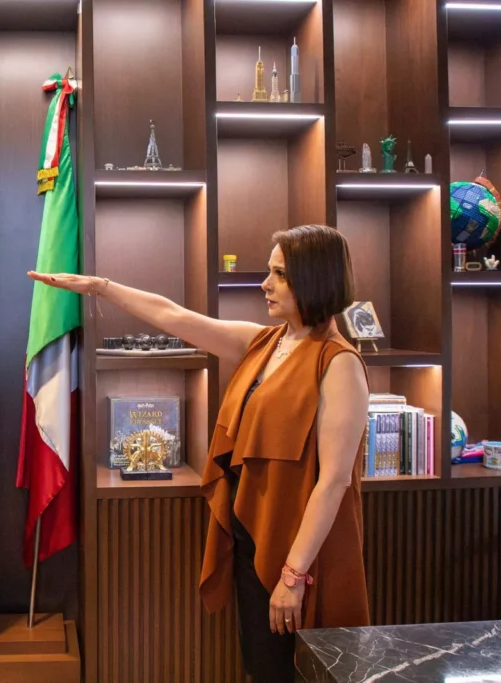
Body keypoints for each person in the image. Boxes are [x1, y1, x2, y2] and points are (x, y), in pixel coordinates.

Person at [29, 224, 370, 683]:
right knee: (262, 665)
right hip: (255, 535)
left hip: (302, 554)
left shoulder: (339, 363)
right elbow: (174, 316)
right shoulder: (266, 342)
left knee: (301, 670)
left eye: (279, 274)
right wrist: (100, 287)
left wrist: (293, 576)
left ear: (314, 279)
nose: (265, 284)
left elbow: (333, 482)